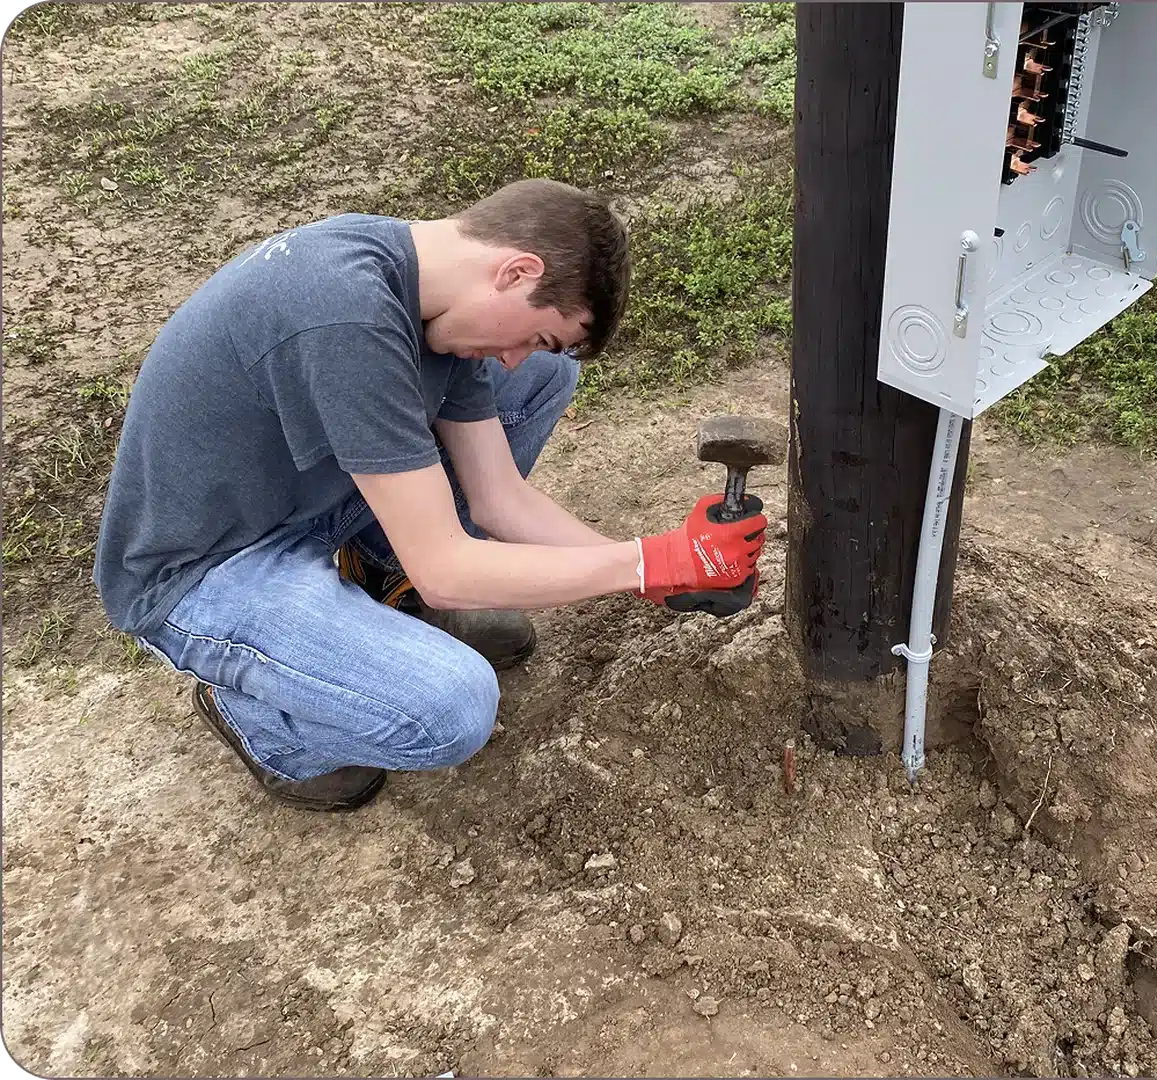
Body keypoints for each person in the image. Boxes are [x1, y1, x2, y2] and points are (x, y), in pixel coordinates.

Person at [94, 178, 769, 813]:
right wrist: (654, 561)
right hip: (204, 570)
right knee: (447, 710)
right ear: (518, 272)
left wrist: (653, 570)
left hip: (297, 501)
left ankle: (385, 583)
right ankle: (264, 722)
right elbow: (447, 570)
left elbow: (499, 498)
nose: (513, 356)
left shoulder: (428, 294)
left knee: (540, 381)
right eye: (537, 334)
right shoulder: (346, 315)